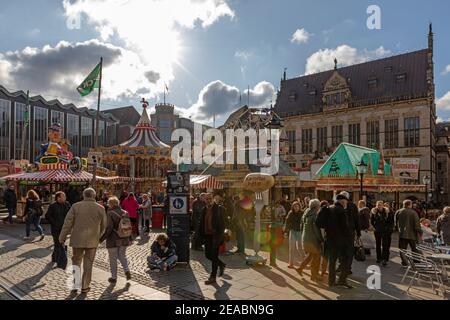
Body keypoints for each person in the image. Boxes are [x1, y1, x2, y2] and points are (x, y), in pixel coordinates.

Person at [59, 188, 107, 294]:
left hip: (77, 239)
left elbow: (67, 223)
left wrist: (62, 238)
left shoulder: (76, 206)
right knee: (88, 263)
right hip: (93, 240)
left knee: (76, 262)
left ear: (84, 195)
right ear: (94, 196)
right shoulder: (100, 208)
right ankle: (85, 286)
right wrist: (98, 237)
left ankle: (75, 284)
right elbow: (104, 226)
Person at [316, 193, 354, 289]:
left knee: (332, 261)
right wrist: (350, 236)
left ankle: (331, 281)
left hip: (329, 239)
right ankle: (342, 280)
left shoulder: (329, 208)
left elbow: (319, 223)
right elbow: (344, 227)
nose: (346, 203)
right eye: (345, 201)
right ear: (342, 201)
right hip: (341, 241)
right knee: (346, 260)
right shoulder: (341, 211)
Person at [100, 196, 132, 284]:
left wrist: (101, 238)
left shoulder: (110, 213)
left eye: (109, 203)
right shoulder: (125, 212)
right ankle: (126, 270)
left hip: (113, 239)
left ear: (111, 204)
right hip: (124, 237)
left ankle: (114, 277)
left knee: (113, 259)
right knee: (122, 255)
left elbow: (109, 228)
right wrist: (130, 238)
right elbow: (128, 226)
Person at [199, 193, 226, 285]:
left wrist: (221, 236)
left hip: (216, 236)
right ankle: (221, 264)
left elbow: (224, 223)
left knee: (214, 256)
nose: (208, 200)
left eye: (210, 198)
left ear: (213, 199)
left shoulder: (219, 209)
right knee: (208, 255)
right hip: (207, 235)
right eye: (206, 199)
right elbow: (201, 223)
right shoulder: (204, 209)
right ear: (204, 200)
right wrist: (199, 236)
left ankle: (212, 277)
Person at [297, 199, 323, 282]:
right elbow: (316, 230)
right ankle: (314, 276)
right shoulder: (315, 215)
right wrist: (321, 239)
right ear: (317, 206)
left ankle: (300, 268)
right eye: (319, 206)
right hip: (313, 240)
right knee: (316, 257)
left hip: (305, 238)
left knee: (310, 255)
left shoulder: (306, 212)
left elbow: (301, 225)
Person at [46, 191, 71, 265]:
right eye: (63, 196)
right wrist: (54, 223)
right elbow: (48, 216)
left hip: (64, 228)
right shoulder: (53, 206)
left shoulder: (67, 204)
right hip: (56, 229)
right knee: (57, 243)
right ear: (58, 198)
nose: (65, 198)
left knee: (61, 243)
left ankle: (55, 257)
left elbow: (70, 214)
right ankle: (59, 260)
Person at [395, 200, 422, 266]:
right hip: (412, 234)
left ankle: (404, 262)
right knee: (415, 249)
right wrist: (420, 232)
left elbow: (395, 223)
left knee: (402, 249)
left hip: (402, 234)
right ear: (409, 204)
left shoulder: (398, 211)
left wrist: (399, 230)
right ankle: (416, 261)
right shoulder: (413, 212)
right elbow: (417, 225)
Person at [370, 201, 394, 266]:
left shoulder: (387, 211)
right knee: (378, 245)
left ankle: (384, 259)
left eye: (380, 205)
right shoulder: (374, 212)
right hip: (377, 231)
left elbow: (391, 221)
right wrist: (375, 227)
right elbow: (371, 220)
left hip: (385, 231)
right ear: (376, 205)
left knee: (385, 245)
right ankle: (378, 258)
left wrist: (389, 229)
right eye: (378, 205)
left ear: (383, 205)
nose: (379, 206)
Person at [284, 201, 304, 268]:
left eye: (297, 206)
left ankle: (304, 261)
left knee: (300, 248)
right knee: (291, 248)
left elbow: (304, 223)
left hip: (299, 232)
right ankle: (291, 263)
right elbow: (287, 222)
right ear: (292, 207)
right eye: (295, 206)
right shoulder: (290, 213)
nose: (296, 207)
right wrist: (286, 231)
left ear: (299, 207)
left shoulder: (302, 213)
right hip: (292, 231)